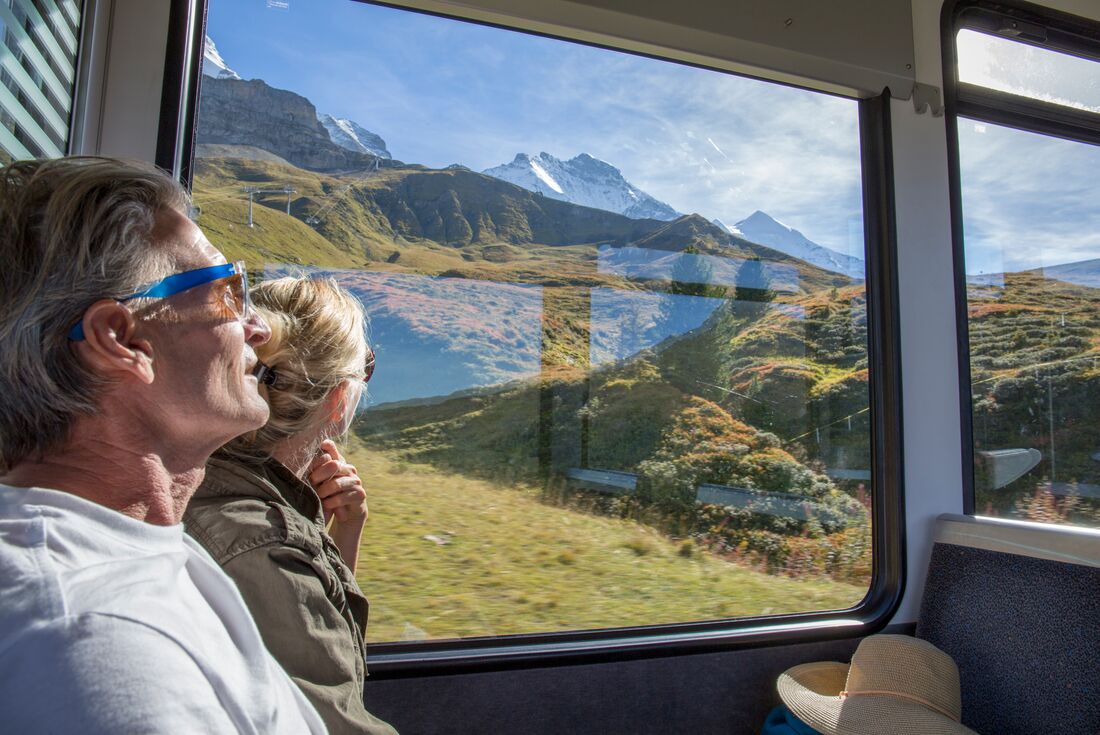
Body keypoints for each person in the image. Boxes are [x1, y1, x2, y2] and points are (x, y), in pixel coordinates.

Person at [0, 156, 326, 733]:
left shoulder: (141, 538)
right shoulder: (93, 643)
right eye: (228, 291)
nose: (256, 327)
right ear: (122, 340)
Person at [184, 276, 397, 735]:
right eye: (366, 369)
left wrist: (343, 529)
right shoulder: (264, 546)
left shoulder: (198, 478)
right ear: (338, 400)